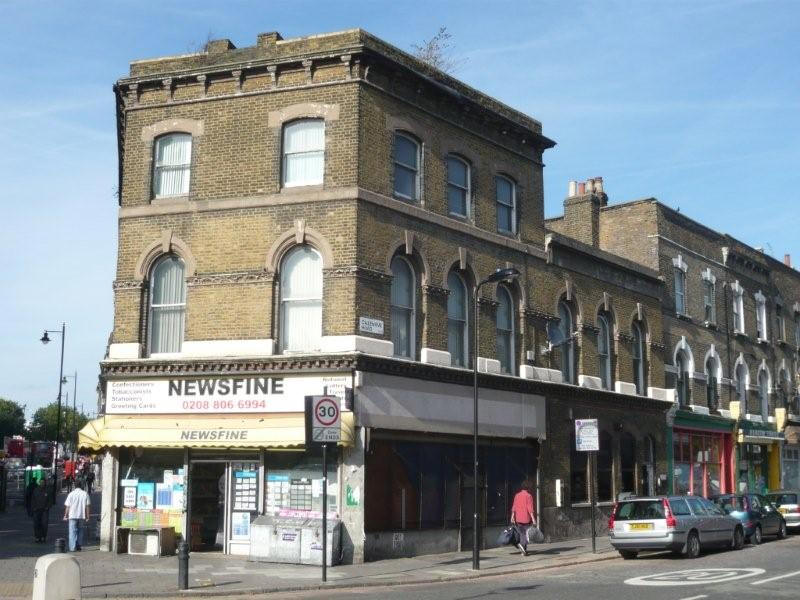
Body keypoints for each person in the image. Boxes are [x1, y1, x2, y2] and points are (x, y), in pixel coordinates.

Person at [510, 478, 537, 557]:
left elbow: (514, 506)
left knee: (522, 534)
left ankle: (523, 551)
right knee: (526, 534)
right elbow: (530, 508)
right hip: (526, 518)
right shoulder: (529, 496)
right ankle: (522, 546)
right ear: (529, 487)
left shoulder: (517, 495)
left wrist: (512, 516)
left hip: (518, 518)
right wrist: (533, 519)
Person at [63, 480, 91, 552]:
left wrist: (65, 515)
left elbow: (68, 506)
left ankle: (72, 547)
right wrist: (88, 516)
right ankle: (79, 545)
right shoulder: (85, 494)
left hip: (72, 515)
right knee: (80, 531)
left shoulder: (71, 494)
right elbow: (87, 506)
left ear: (74, 486)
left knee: (72, 531)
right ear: (81, 486)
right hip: (81, 515)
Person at [31, 477, 52, 542]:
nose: (42, 483)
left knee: (44, 524)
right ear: (39, 483)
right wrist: (34, 508)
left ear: (45, 483)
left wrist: (47, 507)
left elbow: (50, 500)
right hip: (36, 510)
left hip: (44, 511)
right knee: (36, 524)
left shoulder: (47, 490)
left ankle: (43, 537)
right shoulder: (36, 490)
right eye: (41, 482)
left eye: (43, 482)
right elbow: (33, 500)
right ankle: (37, 537)